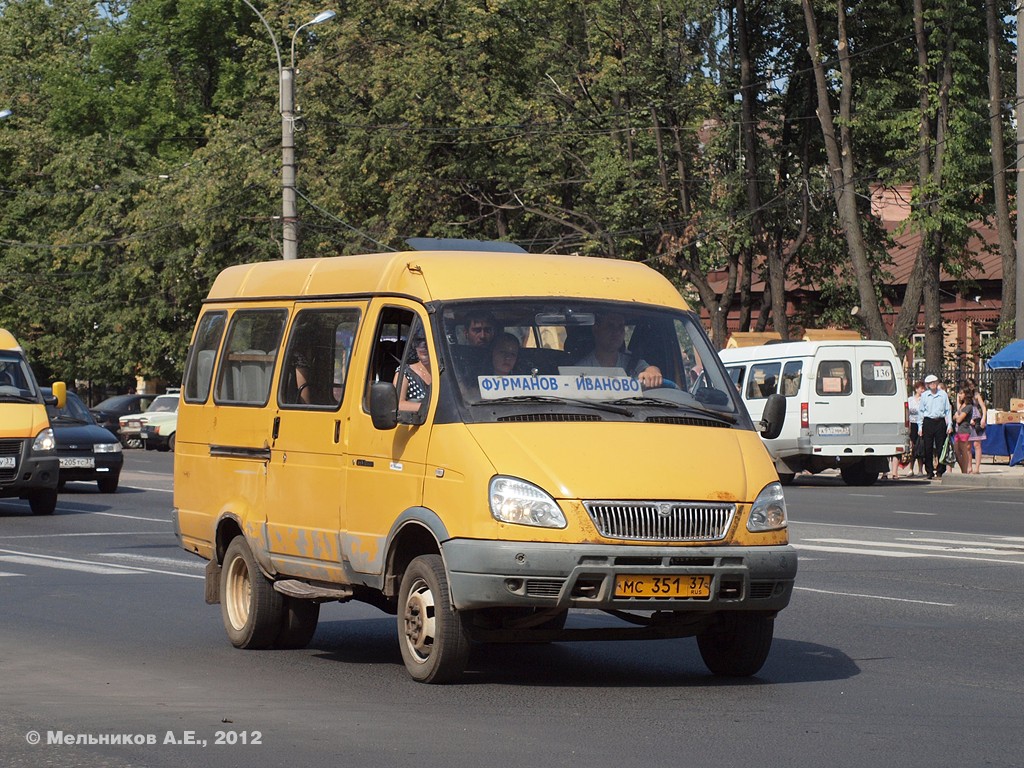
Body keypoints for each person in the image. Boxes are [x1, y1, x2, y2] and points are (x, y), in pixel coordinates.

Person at [575, 313, 663, 388]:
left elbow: (650, 370)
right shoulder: (581, 369)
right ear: (596, 329)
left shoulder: (633, 363)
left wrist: (653, 372)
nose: (617, 332)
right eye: (610, 326)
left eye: (620, 327)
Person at [917, 374, 952, 480]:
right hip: (928, 422)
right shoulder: (925, 396)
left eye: (935, 382)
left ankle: (941, 470)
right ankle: (929, 471)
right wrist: (920, 427)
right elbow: (921, 411)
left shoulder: (943, 394)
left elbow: (947, 410)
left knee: (941, 446)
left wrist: (949, 424)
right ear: (927, 385)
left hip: (940, 421)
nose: (933, 385)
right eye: (930, 383)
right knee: (928, 448)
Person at [394, 336, 431, 413]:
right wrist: (429, 407)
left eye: (428, 342)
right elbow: (397, 404)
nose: (423, 346)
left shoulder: (444, 371)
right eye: (418, 342)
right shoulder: (404, 372)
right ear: (415, 348)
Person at [961, 378, 988, 474]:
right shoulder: (962, 395)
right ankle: (969, 466)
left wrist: (983, 418)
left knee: (977, 444)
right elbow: (960, 408)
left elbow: (983, 407)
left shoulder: (976, 395)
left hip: (976, 419)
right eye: (970, 385)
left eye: (973, 385)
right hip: (967, 419)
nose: (972, 387)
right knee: (967, 446)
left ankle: (977, 467)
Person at [952, 384, 974, 474]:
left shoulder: (968, 406)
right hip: (959, 431)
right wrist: (957, 416)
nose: (960, 395)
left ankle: (965, 471)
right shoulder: (962, 406)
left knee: (963, 450)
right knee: (956, 452)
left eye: (961, 393)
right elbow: (955, 416)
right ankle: (963, 470)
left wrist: (957, 416)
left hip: (964, 431)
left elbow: (959, 419)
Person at [907, 380, 925, 477]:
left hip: (921, 424)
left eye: (923, 388)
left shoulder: (924, 399)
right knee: (912, 447)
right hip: (912, 424)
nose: (922, 390)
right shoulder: (910, 400)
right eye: (921, 388)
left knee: (920, 447)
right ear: (916, 389)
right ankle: (910, 468)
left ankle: (920, 469)